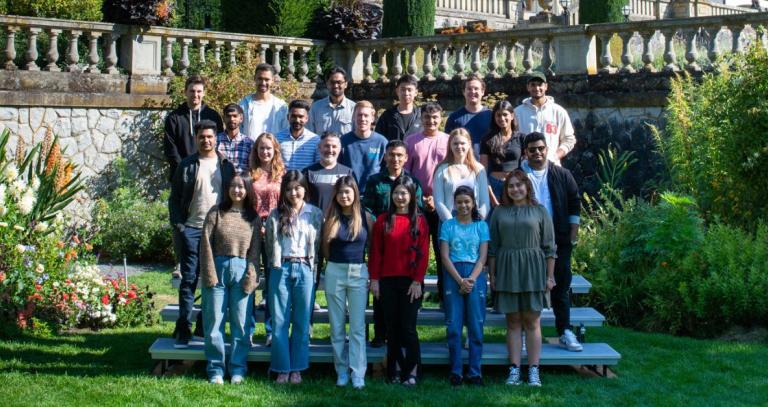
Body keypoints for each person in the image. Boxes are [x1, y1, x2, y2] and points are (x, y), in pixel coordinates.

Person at [169, 120, 236, 349]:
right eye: (201, 137)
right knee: (189, 280)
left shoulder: (226, 166)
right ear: (196, 138)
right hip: (192, 229)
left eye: (210, 136)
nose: (206, 140)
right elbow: (174, 199)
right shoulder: (187, 165)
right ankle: (183, 328)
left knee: (213, 281)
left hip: (217, 232)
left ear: (216, 138)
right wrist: (180, 227)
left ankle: (202, 324)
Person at [489, 169, 556, 387]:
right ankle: (515, 369)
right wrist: (493, 275)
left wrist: (549, 277)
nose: (515, 189)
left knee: (532, 321)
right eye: (511, 186)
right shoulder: (499, 212)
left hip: (533, 270)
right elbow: (492, 248)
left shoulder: (540, 211)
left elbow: (549, 248)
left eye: (519, 185)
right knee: (513, 322)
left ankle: (534, 370)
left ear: (527, 186)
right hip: (507, 269)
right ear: (506, 190)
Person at [520, 132, 582, 352]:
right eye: (532, 149)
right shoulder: (518, 177)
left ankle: (564, 330)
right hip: (527, 242)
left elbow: (575, 203)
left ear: (547, 149)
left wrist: (572, 233)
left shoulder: (562, 174)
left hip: (559, 240)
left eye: (540, 148)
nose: (537, 153)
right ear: (525, 152)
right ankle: (526, 335)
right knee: (527, 288)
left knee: (561, 286)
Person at [362, 140, 424, 347]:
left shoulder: (413, 183)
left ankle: (403, 336)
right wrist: (374, 227)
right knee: (381, 291)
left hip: (406, 243)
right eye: (391, 155)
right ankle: (381, 334)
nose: (395, 159)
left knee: (403, 297)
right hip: (380, 236)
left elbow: (419, 209)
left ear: (406, 158)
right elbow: (367, 208)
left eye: (399, 155)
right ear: (385, 157)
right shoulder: (374, 181)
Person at [199, 174, 260, 385]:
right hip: (217, 270)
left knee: (241, 324)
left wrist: (251, 276)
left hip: (242, 271)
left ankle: (238, 368)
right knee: (214, 321)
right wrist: (209, 272)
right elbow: (205, 243)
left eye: (241, 187)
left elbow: (255, 252)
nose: (237, 191)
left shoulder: (253, 218)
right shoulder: (216, 213)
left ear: (247, 190)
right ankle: (215, 369)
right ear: (227, 189)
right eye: (233, 186)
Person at [369, 175, 429, 386]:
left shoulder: (420, 220)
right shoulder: (382, 221)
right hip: (387, 280)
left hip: (410, 282)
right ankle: (394, 369)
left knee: (408, 327)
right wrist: (374, 280)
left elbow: (422, 252)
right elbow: (376, 253)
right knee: (391, 328)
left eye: (404, 193)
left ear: (412, 196)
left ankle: (412, 371)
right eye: (396, 193)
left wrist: (417, 281)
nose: (400, 197)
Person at [265, 170, 323, 384]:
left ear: (304, 189)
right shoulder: (275, 214)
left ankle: (297, 367)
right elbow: (270, 246)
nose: (293, 192)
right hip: (282, 268)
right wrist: (275, 265)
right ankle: (282, 367)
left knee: (301, 320)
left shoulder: (315, 214)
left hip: (305, 268)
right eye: (288, 189)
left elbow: (317, 246)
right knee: (280, 320)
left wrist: (312, 269)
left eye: (297, 187)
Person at [322, 176, 374, 390]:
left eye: (348, 192)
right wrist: (332, 265)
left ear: (355, 194)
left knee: (357, 326)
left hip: (358, 272)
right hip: (335, 270)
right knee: (336, 325)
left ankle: (358, 372)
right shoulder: (330, 217)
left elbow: (371, 246)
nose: (344, 196)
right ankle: (341, 370)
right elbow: (325, 247)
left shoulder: (365, 217)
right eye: (340, 192)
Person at [439, 186, 489, 387]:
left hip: (475, 276)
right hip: (453, 275)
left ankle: (475, 372)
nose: (463, 205)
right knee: (454, 324)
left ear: (473, 203)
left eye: (467, 201)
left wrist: (471, 280)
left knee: (476, 325)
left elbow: (483, 256)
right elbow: (444, 255)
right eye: (459, 202)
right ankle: (456, 371)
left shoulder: (481, 226)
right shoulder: (448, 226)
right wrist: (460, 280)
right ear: (454, 204)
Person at [404, 102, 449, 301]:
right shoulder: (411, 141)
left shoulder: (448, 140)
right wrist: (420, 197)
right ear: (421, 119)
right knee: (416, 252)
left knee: (443, 252)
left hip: (443, 205)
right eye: (427, 117)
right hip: (418, 205)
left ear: (441, 118)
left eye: (435, 118)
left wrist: (437, 199)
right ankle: (415, 297)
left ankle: (444, 296)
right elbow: (406, 175)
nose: (431, 121)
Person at [248, 132, 286, 347]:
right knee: (251, 280)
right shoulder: (250, 174)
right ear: (256, 150)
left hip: (275, 232)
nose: (265, 152)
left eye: (269, 148)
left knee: (274, 282)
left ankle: (272, 329)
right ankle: (249, 329)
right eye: (261, 148)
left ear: (275, 151)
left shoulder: (282, 174)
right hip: (253, 230)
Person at [164, 75, 223, 181]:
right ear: (185, 92)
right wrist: (184, 169)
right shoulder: (174, 118)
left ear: (204, 93)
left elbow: (219, 144)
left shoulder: (213, 116)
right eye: (192, 91)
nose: (196, 95)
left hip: (209, 174)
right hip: (181, 175)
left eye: (199, 91)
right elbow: (170, 148)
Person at [514, 72, 576, 166]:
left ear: (546, 86)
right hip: (526, 168)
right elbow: (512, 139)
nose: (537, 88)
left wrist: (555, 156)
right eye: (533, 85)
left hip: (552, 166)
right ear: (528, 87)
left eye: (540, 85)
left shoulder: (558, 111)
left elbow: (569, 139)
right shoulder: (517, 113)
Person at [480, 100, 523, 207]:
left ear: (512, 116)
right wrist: (492, 198)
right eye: (498, 115)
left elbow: (526, 166)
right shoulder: (487, 139)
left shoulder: (522, 138)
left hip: (516, 185)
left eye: (505, 114)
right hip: (495, 185)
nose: (502, 118)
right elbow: (482, 173)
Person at [340, 101, 388, 194]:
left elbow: (386, 170)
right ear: (353, 117)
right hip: (349, 194)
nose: (362, 119)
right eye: (359, 115)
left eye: (366, 115)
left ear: (372, 118)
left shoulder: (381, 142)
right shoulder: (343, 141)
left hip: (374, 194)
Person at [304, 132, 354, 215]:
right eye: (326, 146)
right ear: (319, 148)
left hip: (340, 223)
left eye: (334, 146)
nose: (330, 150)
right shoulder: (308, 172)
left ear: (340, 149)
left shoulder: (347, 173)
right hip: (315, 223)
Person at [444, 73, 492, 158]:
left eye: (476, 89)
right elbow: (447, 146)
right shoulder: (454, 118)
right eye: (469, 89)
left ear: (482, 92)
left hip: (488, 166)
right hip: (462, 167)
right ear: (463, 92)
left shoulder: (491, 116)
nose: (473, 91)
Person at [239, 63, 289, 140]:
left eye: (267, 79)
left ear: (272, 80)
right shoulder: (244, 104)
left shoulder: (281, 106)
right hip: (250, 150)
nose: (263, 83)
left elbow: (286, 131)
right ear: (255, 78)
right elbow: (239, 131)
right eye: (260, 79)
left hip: (273, 151)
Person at [307, 66, 356, 135]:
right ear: (327, 84)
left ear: (346, 84)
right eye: (332, 82)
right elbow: (309, 134)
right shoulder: (316, 107)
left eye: (339, 82)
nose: (335, 85)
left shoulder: (354, 108)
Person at [275, 99, 320, 171]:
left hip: (306, 181)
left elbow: (318, 164)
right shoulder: (277, 138)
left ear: (306, 118)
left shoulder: (315, 140)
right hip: (283, 180)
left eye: (301, 116)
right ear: (288, 117)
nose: (297, 120)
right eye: (293, 116)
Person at [374, 74, 422, 141]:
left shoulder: (421, 116)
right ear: (397, 91)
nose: (406, 93)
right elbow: (378, 140)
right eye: (403, 89)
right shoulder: (387, 116)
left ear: (416, 92)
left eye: (409, 90)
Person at [216, 103, 252, 175]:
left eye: (235, 116)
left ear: (241, 118)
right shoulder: (215, 141)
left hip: (241, 184)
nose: (232, 119)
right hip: (219, 183)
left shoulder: (249, 143)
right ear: (223, 118)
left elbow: (252, 168)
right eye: (228, 116)